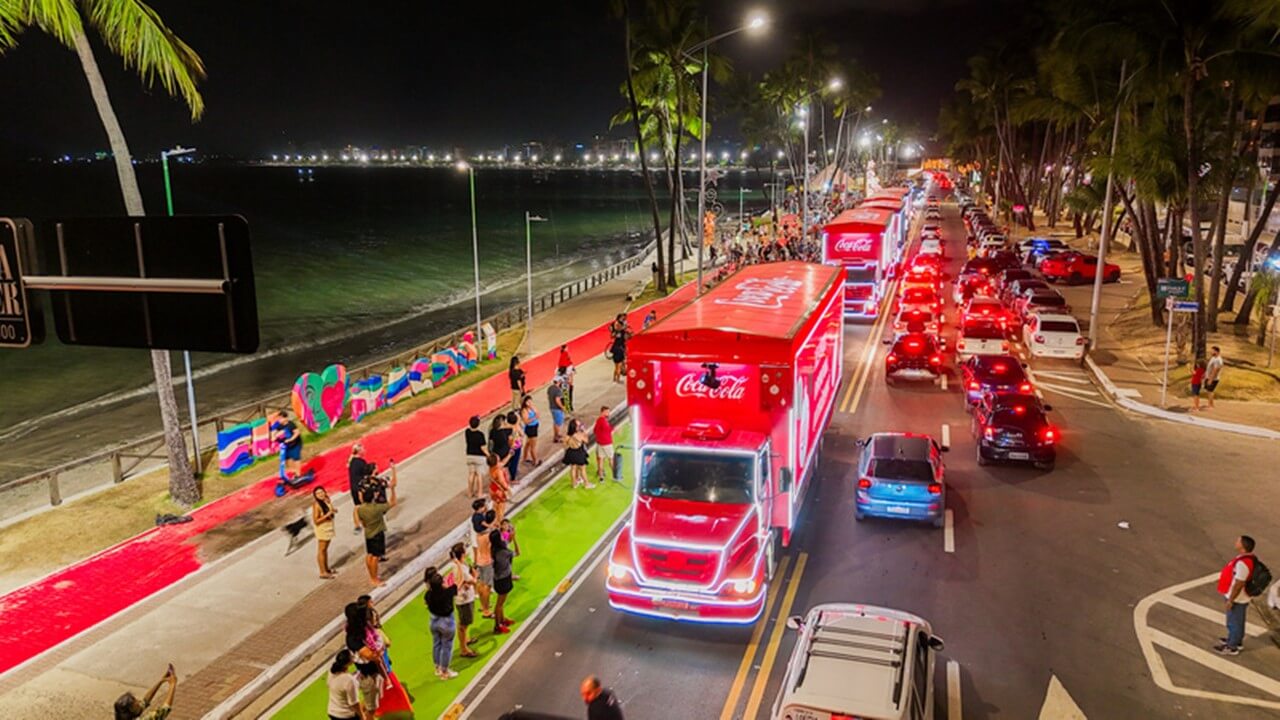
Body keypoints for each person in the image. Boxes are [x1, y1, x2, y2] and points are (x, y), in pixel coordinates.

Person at [1216, 535, 1258, 656]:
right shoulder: (1248, 558)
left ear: (1243, 547)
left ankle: (1232, 646)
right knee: (1237, 621)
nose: (1236, 542)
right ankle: (1235, 640)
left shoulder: (1243, 563)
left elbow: (1239, 583)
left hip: (1238, 598)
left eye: (1238, 541)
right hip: (1240, 597)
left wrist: (1231, 600)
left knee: (1234, 622)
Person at [356, 464, 397, 587]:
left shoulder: (361, 508)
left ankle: (372, 576)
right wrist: (393, 490)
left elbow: (361, 521)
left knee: (369, 555)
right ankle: (374, 579)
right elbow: (393, 503)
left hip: (368, 533)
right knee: (375, 557)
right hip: (377, 534)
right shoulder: (377, 508)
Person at [423, 566, 460, 679]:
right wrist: (457, 564)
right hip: (447, 622)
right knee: (446, 646)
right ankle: (445, 671)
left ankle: (437, 668)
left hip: (434, 621)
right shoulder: (447, 593)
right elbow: (458, 583)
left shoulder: (428, 595)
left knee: (436, 643)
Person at [445, 542, 479, 657]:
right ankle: (464, 649)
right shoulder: (461, 568)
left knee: (465, 622)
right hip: (464, 600)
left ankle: (466, 640)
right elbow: (473, 581)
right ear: (462, 554)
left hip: (464, 597)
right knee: (463, 624)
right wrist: (475, 575)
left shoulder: (457, 565)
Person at [472, 507, 496, 619]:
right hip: (487, 562)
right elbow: (503, 540)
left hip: (480, 561)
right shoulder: (489, 535)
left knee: (481, 585)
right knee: (487, 587)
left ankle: (483, 605)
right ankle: (486, 610)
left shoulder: (479, 534)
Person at [490, 529, 515, 634]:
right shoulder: (503, 553)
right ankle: (497, 626)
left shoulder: (494, 550)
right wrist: (513, 537)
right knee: (499, 604)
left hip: (499, 579)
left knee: (501, 602)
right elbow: (513, 553)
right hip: (503, 579)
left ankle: (503, 620)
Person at [327, 650, 361, 720]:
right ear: (348, 663)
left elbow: (337, 683)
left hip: (332, 712)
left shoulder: (332, 671)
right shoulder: (350, 680)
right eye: (352, 656)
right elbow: (354, 703)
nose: (354, 656)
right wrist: (362, 716)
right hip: (346, 715)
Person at [348, 443, 374, 534]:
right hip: (360, 488)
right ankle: (367, 524)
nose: (365, 450)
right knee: (364, 506)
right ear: (359, 451)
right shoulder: (361, 462)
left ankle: (357, 525)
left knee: (357, 506)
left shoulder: (352, 461)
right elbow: (367, 474)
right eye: (363, 449)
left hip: (353, 488)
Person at [312, 487, 337, 579]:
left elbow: (330, 510)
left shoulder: (326, 500)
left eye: (322, 492)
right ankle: (322, 572)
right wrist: (327, 515)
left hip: (328, 527)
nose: (321, 494)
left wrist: (333, 511)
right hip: (322, 529)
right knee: (321, 550)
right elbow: (316, 520)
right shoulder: (317, 505)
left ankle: (326, 568)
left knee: (325, 550)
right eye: (318, 494)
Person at [273, 409, 304, 480]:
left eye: (281, 418)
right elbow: (275, 433)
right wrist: (275, 437)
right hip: (287, 446)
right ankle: (294, 472)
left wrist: (291, 439)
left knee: (296, 457)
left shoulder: (291, 424)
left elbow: (297, 432)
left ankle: (298, 474)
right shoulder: (280, 426)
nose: (279, 420)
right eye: (278, 418)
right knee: (287, 459)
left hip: (295, 444)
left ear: (285, 418)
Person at [464, 416, 490, 499]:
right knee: (479, 475)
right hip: (479, 456)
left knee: (471, 474)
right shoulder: (480, 435)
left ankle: (469, 493)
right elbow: (483, 448)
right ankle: (479, 493)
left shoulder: (467, 432)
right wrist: (489, 455)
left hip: (470, 455)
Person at [564, 419, 593, 489]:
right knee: (582, 469)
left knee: (573, 468)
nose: (580, 426)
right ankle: (587, 484)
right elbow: (586, 441)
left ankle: (574, 483)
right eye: (579, 425)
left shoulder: (567, 436)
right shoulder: (580, 435)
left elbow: (565, 444)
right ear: (575, 427)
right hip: (579, 453)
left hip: (570, 452)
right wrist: (584, 432)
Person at [593, 406, 615, 483]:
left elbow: (595, 430)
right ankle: (615, 475)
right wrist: (613, 429)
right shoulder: (603, 421)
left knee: (601, 460)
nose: (608, 413)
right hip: (607, 443)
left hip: (600, 443)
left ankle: (601, 477)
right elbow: (608, 429)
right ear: (602, 412)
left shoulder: (598, 420)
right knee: (611, 459)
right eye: (607, 412)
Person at [487, 453, 510, 522]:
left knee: (495, 506)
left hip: (493, 489)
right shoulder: (498, 471)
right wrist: (508, 489)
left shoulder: (491, 468)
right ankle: (500, 523)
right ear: (496, 462)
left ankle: (496, 521)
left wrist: (510, 455)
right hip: (499, 491)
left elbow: (502, 463)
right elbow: (502, 482)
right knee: (501, 508)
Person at [520, 395, 541, 466]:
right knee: (533, 446)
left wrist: (534, 410)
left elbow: (538, 413)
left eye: (530, 401)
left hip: (534, 426)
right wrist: (534, 417)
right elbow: (526, 421)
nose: (530, 403)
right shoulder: (524, 411)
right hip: (530, 429)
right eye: (528, 401)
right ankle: (535, 461)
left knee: (528, 443)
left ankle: (525, 457)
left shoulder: (532, 407)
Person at [609, 314, 630, 383]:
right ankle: (618, 379)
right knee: (619, 366)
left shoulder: (616, 332)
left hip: (614, 349)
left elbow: (612, 335)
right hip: (620, 350)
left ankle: (614, 378)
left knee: (616, 366)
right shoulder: (623, 332)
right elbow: (626, 338)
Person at [505, 410, 525, 482]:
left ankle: (510, 474)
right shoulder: (516, 427)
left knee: (509, 462)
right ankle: (513, 478)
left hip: (508, 446)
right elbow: (522, 434)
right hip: (516, 447)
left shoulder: (506, 426)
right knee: (514, 462)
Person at [548, 377, 567, 443]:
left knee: (555, 423)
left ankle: (555, 436)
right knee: (559, 423)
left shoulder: (550, 388)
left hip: (552, 407)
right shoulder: (558, 390)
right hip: (557, 409)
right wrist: (562, 407)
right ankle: (558, 436)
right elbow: (557, 400)